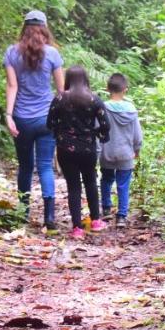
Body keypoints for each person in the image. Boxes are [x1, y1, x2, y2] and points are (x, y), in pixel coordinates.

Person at [4, 10, 64, 230]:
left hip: (21, 118)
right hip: (47, 118)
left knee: (26, 166)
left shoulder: (11, 53)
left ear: (24, 28)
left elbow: (13, 86)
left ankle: (23, 213)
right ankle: (49, 216)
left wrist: (9, 116)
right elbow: (60, 91)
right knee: (46, 166)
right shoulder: (53, 55)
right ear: (44, 28)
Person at [46, 65, 110, 238]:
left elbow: (49, 123)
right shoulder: (94, 99)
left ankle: (77, 228)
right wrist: (95, 133)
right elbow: (105, 124)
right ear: (85, 79)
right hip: (88, 148)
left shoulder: (59, 99)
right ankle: (96, 220)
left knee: (73, 186)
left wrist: (61, 132)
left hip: (65, 149)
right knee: (90, 182)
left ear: (68, 80)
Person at [99, 73, 143, 225]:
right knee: (123, 184)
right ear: (126, 89)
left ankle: (105, 208)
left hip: (107, 152)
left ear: (107, 89)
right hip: (126, 153)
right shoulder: (131, 110)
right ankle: (122, 216)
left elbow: (97, 129)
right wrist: (137, 150)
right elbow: (137, 135)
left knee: (106, 179)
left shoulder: (103, 108)